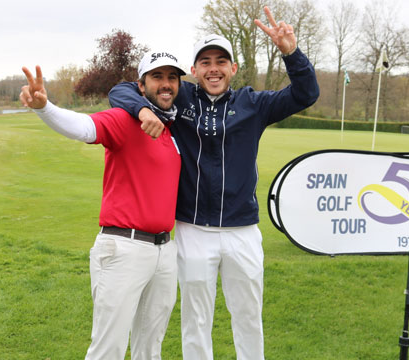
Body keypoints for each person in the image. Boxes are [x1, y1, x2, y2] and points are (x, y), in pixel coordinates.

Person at [108, 7, 319, 360]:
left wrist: (291, 53)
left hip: (243, 231)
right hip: (192, 229)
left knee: (248, 317)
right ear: (194, 71)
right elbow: (123, 90)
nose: (213, 68)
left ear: (233, 69)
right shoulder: (181, 97)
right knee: (196, 319)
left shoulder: (254, 103)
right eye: (205, 62)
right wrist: (143, 111)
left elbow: (305, 93)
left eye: (221, 61)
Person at [20, 51, 186, 360]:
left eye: (172, 78)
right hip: (124, 248)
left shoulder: (170, 129)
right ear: (141, 85)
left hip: (164, 251)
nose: (165, 84)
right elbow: (84, 127)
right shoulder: (125, 120)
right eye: (157, 77)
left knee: (150, 350)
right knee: (108, 349)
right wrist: (45, 108)